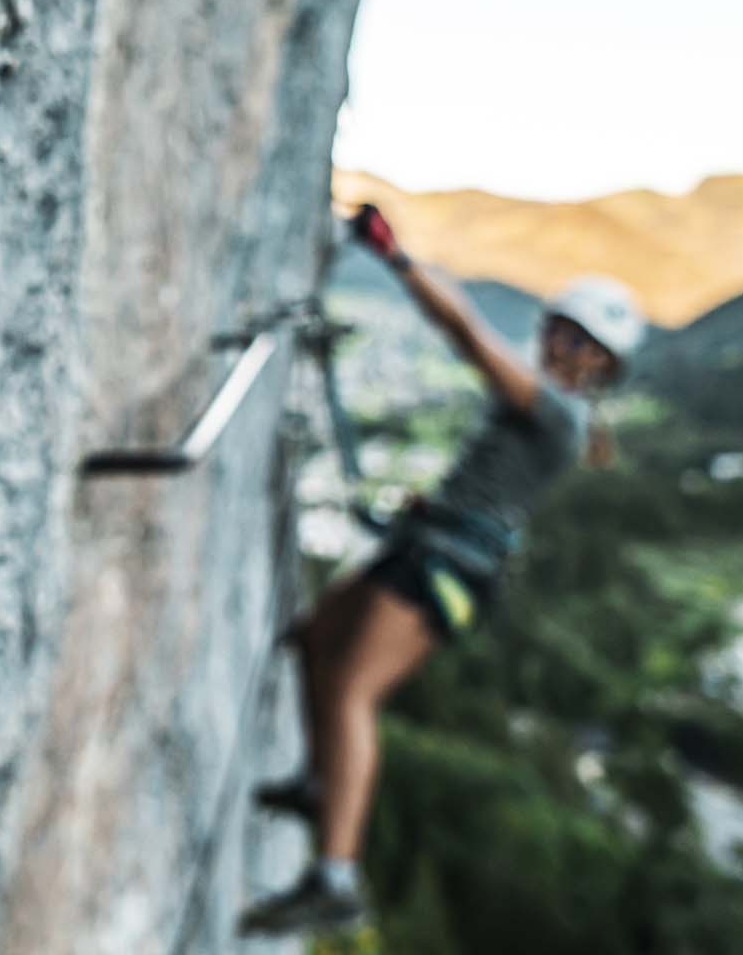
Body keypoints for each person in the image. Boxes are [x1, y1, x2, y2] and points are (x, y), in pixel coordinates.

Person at [238, 203, 646, 939]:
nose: (560, 342)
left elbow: (464, 333)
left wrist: (397, 259)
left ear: (599, 365)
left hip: (445, 567)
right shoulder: (558, 415)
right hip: (433, 547)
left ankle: (336, 874)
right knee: (315, 640)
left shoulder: (557, 413)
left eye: (579, 340)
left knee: (353, 692)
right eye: (560, 327)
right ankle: (319, 785)